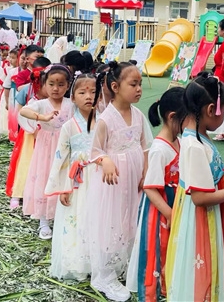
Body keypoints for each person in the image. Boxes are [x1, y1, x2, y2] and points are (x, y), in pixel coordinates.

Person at [166, 73, 224, 301]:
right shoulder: (194, 146)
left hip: (207, 215)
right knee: (204, 263)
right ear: (211, 110)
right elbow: (199, 198)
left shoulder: (198, 137)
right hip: (202, 220)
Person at [86, 61, 153, 301]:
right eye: (133, 84)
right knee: (112, 220)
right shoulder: (106, 119)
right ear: (115, 86)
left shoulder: (138, 115)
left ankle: (126, 262)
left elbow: (145, 146)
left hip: (135, 179)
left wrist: (145, 171)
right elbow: (94, 151)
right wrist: (105, 160)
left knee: (131, 217)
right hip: (113, 182)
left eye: (140, 84)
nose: (139, 89)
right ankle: (105, 275)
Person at [127, 86, 184, 302]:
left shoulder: (177, 141)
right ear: (172, 117)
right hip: (160, 208)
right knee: (158, 248)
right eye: (188, 118)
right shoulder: (160, 149)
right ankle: (156, 290)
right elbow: (150, 187)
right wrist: (169, 213)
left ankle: (170, 285)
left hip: (174, 203)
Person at [45, 73, 97, 281]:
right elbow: (61, 158)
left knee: (97, 217)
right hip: (78, 180)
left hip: (100, 179)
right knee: (78, 217)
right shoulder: (69, 126)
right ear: (73, 97)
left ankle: (98, 259)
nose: (88, 96)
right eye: (82, 92)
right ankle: (78, 261)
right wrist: (62, 188)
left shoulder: (103, 123)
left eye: (93, 92)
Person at [19, 65, 74, 239]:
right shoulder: (41, 104)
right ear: (44, 84)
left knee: (63, 178)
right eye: (51, 84)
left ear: (68, 85)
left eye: (60, 84)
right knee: (44, 178)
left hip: (65, 147)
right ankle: (44, 220)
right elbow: (23, 110)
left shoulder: (71, 104)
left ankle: (61, 216)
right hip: (46, 148)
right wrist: (42, 117)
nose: (55, 88)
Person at [5, 57, 51, 209]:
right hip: (30, 138)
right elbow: (22, 115)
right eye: (50, 85)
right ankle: (18, 193)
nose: (53, 88)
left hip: (47, 138)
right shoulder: (33, 102)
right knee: (26, 163)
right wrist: (34, 128)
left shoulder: (52, 102)